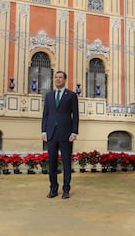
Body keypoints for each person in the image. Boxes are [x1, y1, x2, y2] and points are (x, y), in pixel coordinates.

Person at [41, 71, 79, 199]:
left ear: (65, 80)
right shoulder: (49, 95)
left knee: (66, 163)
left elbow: (75, 116)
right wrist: (43, 131)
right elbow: (45, 115)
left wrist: (74, 132)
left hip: (66, 134)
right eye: (56, 77)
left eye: (60, 77)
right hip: (51, 133)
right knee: (52, 163)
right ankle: (53, 188)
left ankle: (66, 189)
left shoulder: (71, 95)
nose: (57, 79)